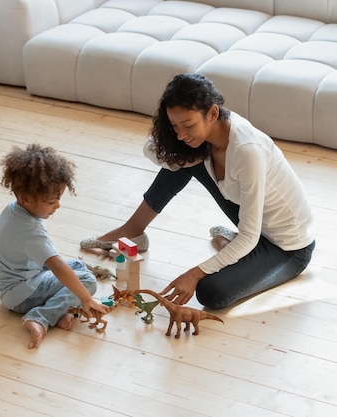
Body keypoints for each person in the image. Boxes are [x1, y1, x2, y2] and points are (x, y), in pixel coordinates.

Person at [81, 73, 315, 309]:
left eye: (189, 125)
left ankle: (238, 252)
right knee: (183, 157)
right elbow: (151, 148)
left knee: (210, 292)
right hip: (252, 222)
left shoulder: (246, 150)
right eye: (174, 126)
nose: (181, 134)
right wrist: (181, 145)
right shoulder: (203, 136)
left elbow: (249, 235)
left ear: (212, 113)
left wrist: (194, 274)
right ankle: (134, 231)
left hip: (287, 248)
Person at [0, 144, 109, 349]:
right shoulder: (30, 232)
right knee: (87, 281)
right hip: (21, 295)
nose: (58, 206)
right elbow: (57, 266)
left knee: (78, 267)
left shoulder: (13, 209)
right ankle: (40, 317)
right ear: (27, 198)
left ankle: (61, 312)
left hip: (18, 280)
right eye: (52, 201)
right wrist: (86, 299)